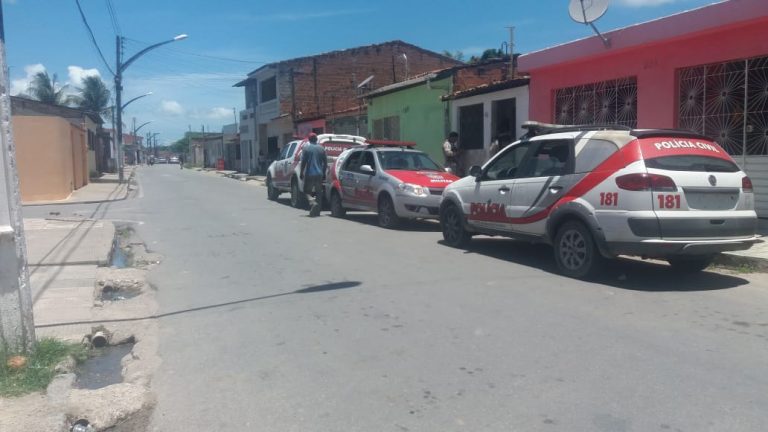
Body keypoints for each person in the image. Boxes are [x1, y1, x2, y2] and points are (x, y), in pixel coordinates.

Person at [299, 133, 327, 217]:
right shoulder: (322, 149)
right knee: (319, 192)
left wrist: (301, 172)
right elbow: (325, 163)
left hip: (310, 173)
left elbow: (303, 162)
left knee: (306, 191)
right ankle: (317, 212)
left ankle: (312, 202)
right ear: (316, 139)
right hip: (319, 174)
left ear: (309, 140)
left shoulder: (306, 148)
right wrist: (324, 173)